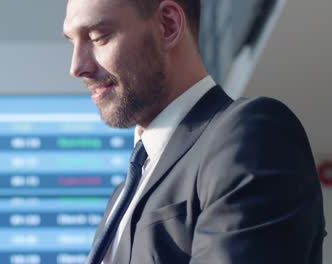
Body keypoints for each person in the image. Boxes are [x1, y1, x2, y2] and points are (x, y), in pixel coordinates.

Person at [62, 0, 326, 263]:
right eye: (72, 42)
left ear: (168, 25)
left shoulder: (251, 136)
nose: (76, 67)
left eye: (99, 37)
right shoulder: (121, 200)